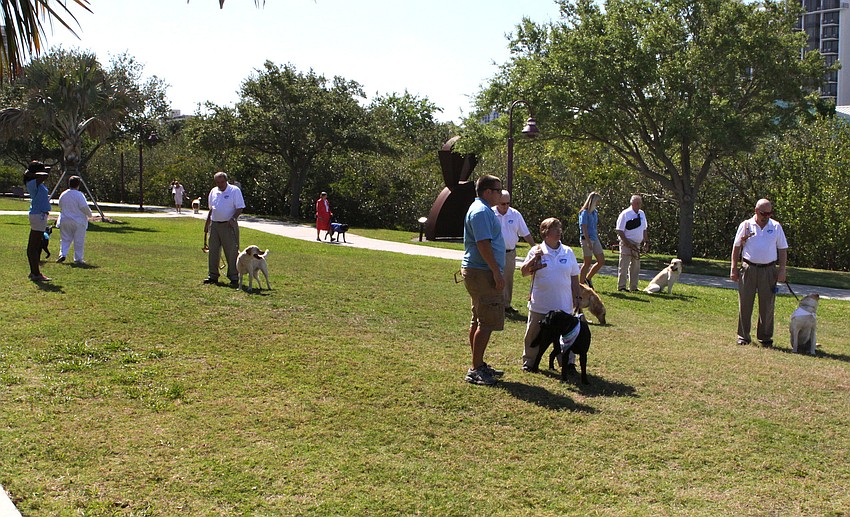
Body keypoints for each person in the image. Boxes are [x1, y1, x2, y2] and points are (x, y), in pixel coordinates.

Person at [461, 174, 506, 386]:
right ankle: (475, 369)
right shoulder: (480, 212)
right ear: (487, 192)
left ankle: (478, 364)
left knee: (479, 319)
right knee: (486, 322)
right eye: (498, 190)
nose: (501, 193)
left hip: (480, 271)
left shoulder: (483, 210)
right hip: (482, 273)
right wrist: (496, 272)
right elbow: (483, 244)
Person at [520, 218, 582, 372]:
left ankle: (568, 364)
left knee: (567, 337)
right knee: (534, 334)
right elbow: (524, 272)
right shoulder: (536, 250)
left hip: (563, 304)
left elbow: (575, 276)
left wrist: (577, 297)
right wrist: (535, 258)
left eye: (560, 229)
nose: (559, 232)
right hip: (540, 303)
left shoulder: (568, 251)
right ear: (545, 233)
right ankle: (529, 361)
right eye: (555, 229)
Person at [730, 199, 788, 347]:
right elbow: (736, 247)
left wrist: (782, 270)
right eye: (764, 213)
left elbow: (782, 249)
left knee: (767, 305)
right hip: (748, 268)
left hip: (768, 270)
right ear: (756, 211)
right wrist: (733, 268)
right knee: (745, 303)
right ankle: (743, 336)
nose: (766, 216)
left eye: (769, 213)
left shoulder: (775, 227)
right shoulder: (746, 225)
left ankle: (765, 337)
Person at [493, 190, 535, 314]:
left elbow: (525, 233)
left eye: (507, 203)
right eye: (502, 204)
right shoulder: (490, 213)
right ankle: (494, 304)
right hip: (494, 252)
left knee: (507, 279)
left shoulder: (515, 214)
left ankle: (506, 305)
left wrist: (534, 247)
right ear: (497, 202)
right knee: (493, 278)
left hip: (509, 253)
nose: (505, 206)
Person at [203, 172, 245, 286]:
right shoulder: (213, 191)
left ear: (226, 181)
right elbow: (211, 209)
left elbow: (240, 207)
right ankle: (212, 276)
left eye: (222, 182)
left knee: (231, 251)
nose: (220, 184)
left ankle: (234, 277)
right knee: (213, 251)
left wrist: (233, 218)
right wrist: (207, 224)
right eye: (217, 182)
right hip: (215, 224)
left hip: (228, 225)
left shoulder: (234, 191)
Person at [24, 161, 52, 282]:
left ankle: (34, 272)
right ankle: (36, 273)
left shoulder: (35, 182)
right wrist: (31, 173)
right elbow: (45, 175)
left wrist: (32, 172)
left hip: (40, 215)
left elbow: (48, 170)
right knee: (34, 246)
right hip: (38, 215)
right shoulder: (32, 183)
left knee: (35, 245)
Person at [615, 195, 649, 292]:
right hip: (626, 242)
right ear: (631, 203)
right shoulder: (625, 214)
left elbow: (644, 229)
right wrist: (627, 243)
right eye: (636, 203)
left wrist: (646, 242)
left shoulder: (642, 214)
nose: (638, 205)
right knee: (624, 265)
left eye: (640, 203)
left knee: (635, 266)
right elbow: (619, 230)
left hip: (637, 243)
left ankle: (633, 287)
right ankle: (622, 286)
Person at [56, 176, 93, 264]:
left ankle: (63, 254)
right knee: (79, 240)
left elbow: (60, 205)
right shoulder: (79, 195)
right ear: (78, 185)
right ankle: (78, 258)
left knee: (65, 238)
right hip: (78, 220)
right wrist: (90, 214)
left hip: (65, 219)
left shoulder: (63, 194)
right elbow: (84, 207)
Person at [578, 192, 605, 289]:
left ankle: (588, 278)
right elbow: (584, 227)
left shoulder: (595, 212)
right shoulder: (584, 212)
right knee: (587, 262)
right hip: (587, 239)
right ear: (593, 201)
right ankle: (580, 284)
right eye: (597, 201)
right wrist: (588, 241)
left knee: (601, 260)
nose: (598, 203)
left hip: (595, 238)